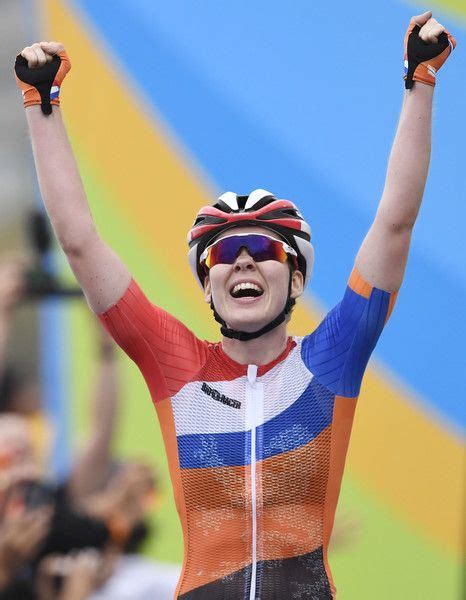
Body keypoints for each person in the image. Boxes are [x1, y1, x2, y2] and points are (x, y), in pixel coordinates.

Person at [13, 10, 456, 599]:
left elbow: (395, 223)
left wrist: (419, 81)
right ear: (207, 286)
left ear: (296, 280)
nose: (242, 261)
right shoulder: (172, 361)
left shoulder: (332, 358)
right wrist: (42, 105)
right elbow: (78, 240)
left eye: (261, 247)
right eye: (224, 255)